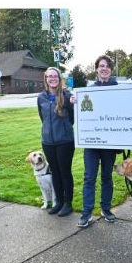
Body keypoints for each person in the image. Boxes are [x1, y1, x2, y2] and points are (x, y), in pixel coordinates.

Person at [77, 54, 120, 228]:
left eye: (107, 66)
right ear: (96, 69)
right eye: (101, 66)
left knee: (107, 177)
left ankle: (106, 209)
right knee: (89, 178)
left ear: (111, 70)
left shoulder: (118, 89)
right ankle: (86, 212)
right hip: (92, 143)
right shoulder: (89, 90)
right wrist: (75, 101)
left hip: (109, 143)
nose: (104, 69)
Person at [37, 67, 75, 217]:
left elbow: (72, 118)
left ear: (59, 79)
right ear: (46, 79)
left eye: (55, 76)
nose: (52, 78)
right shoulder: (41, 97)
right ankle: (58, 201)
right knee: (55, 172)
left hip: (65, 141)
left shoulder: (66, 95)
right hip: (48, 142)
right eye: (49, 76)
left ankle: (67, 203)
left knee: (65, 172)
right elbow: (43, 118)